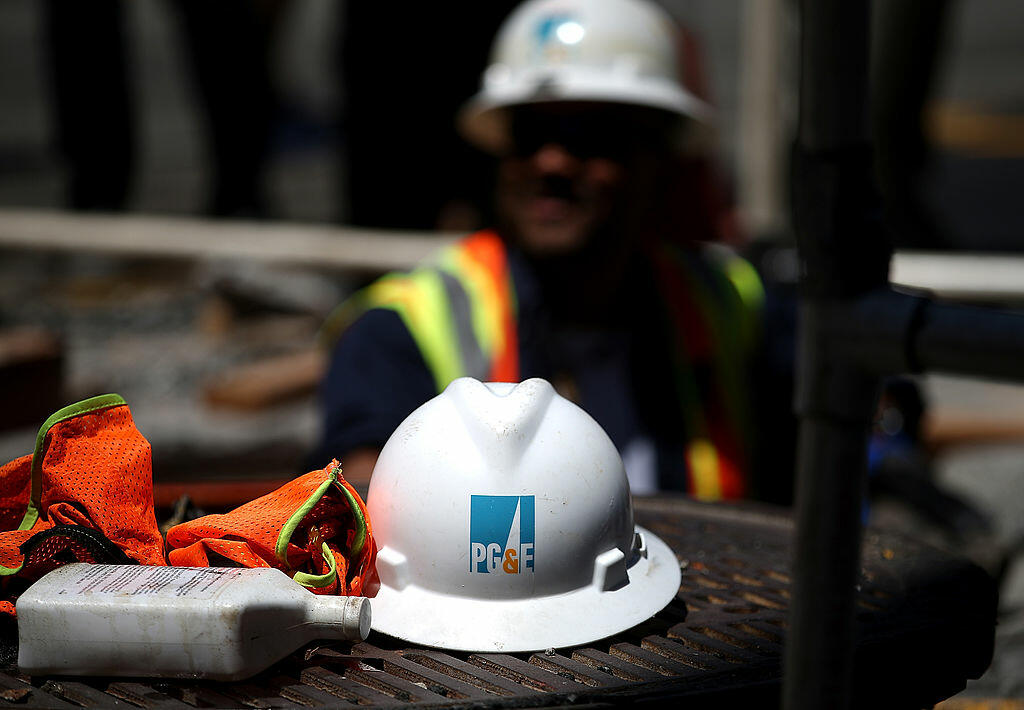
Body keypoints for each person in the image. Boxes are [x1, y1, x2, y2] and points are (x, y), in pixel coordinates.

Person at [312, 0, 765, 499]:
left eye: (589, 136)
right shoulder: (400, 328)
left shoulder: (729, 303)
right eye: (530, 136)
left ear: (661, 158)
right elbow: (363, 515)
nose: (551, 162)